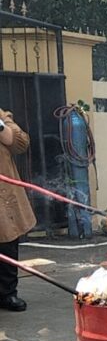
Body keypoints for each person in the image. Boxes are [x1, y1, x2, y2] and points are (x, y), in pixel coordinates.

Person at [0, 108, 34, 312]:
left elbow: (20, 143)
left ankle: (7, 293)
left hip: (3, 197)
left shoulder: (2, 116)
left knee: (7, 243)